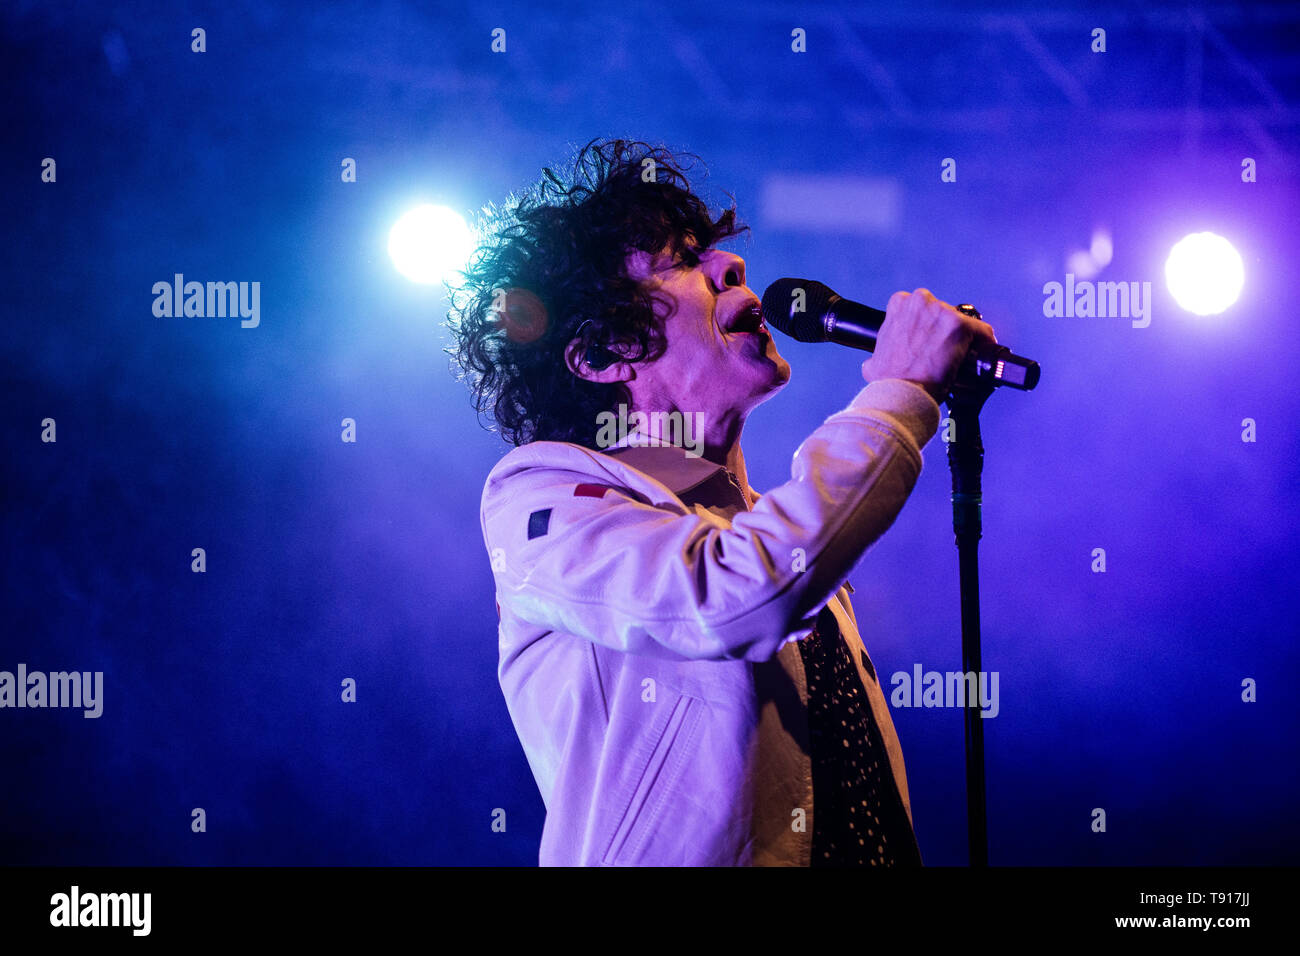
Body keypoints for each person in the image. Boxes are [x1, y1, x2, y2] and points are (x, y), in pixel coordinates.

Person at [447, 138, 997, 866]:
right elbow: (732, 594)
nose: (731, 265)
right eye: (679, 259)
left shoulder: (772, 534)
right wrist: (899, 397)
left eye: (712, 252)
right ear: (605, 352)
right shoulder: (537, 500)